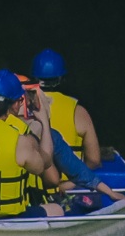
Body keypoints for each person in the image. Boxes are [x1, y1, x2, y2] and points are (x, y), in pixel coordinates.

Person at [0, 68, 62, 218]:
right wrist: (44, 122)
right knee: (57, 209)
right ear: (15, 105)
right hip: (9, 217)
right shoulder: (20, 140)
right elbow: (44, 164)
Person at [26, 48, 111, 181]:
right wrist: (74, 182)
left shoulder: (21, 107)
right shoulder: (78, 111)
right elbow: (94, 160)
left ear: (33, 78)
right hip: (70, 188)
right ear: (62, 78)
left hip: (35, 190)